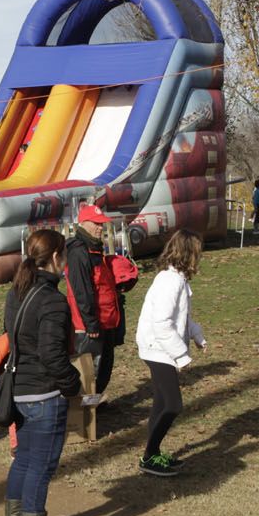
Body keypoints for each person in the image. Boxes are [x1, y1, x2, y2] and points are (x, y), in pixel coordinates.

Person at [1, 228, 81, 516]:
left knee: (23, 460)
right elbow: (52, 354)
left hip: (19, 391)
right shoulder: (52, 301)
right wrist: (73, 385)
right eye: (63, 254)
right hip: (45, 396)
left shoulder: (16, 292)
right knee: (40, 466)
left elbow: (12, 337)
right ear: (55, 258)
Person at [134, 230, 207, 477]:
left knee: (162, 403)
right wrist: (181, 356)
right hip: (158, 348)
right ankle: (149, 456)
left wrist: (196, 335)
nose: (200, 257)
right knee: (173, 405)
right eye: (197, 252)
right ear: (188, 253)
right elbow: (162, 322)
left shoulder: (177, 279)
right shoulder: (170, 281)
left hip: (161, 347)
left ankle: (152, 454)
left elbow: (181, 317)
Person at [64, 204, 125, 411]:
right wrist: (91, 324)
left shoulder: (95, 249)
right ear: (83, 223)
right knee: (90, 371)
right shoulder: (78, 252)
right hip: (90, 325)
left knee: (104, 368)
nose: (100, 228)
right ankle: (82, 415)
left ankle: (93, 407)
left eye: (101, 224)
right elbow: (82, 292)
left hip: (105, 320)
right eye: (96, 224)